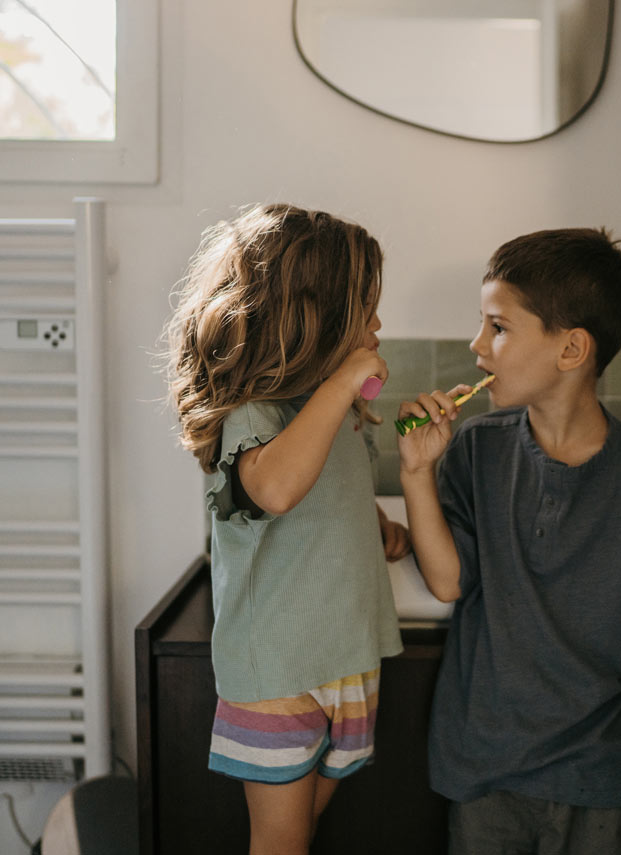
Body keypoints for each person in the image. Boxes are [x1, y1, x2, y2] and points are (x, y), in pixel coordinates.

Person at [396, 228, 621, 855]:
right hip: (485, 764)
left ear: (571, 349)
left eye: (498, 327)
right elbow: (450, 581)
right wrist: (417, 471)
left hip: (602, 771)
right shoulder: (476, 450)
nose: (478, 347)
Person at [164, 203, 408, 855]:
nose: (379, 325)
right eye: (367, 309)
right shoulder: (255, 412)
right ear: (321, 319)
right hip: (278, 670)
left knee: (298, 836)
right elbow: (273, 488)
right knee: (280, 842)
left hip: (345, 653)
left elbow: (322, 491)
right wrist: (339, 385)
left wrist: (373, 521)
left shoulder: (334, 412)